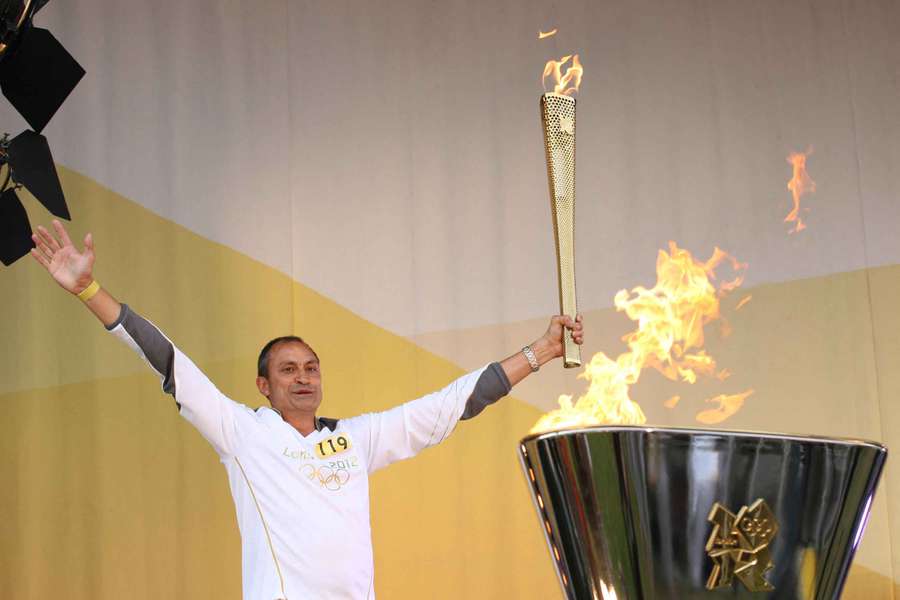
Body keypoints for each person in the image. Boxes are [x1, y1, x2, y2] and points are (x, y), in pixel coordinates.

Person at [29, 220, 584, 600]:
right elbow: (168, 360)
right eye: (288, 369)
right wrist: (90, 290)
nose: (303, 377)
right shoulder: (240, 432)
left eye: (311, 368)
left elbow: (451, 405)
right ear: (263, 385)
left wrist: (541, 351)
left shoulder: (356, 439)